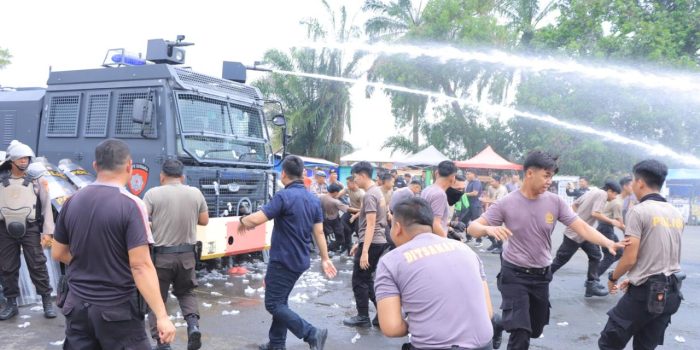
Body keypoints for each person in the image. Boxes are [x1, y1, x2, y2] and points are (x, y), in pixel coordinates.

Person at [467, 151, 625, 350]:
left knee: (535, 328)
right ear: (530, 173)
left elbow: (582, 227)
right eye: (546, 175)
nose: (550, 181)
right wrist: (487, 228)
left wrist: (607, 243)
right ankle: (510, 326)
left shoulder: (555, 202)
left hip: (541, 275)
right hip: (514, 274)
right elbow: (472, 227)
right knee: (520, 333)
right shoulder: (507, 202)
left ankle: (499, 323)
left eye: (552, 176)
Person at [51, 139, 176, 349]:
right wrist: (162, 316)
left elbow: (58, 252)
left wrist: (91, 262)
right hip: (116, 312)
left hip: (77, 308)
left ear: (95, 166)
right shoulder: (131, 205)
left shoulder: (72, 201)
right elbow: (140, 266)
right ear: (129, 166)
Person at [237, 155, 337, 350]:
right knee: (280, 301)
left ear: (283, 174)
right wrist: (325, 258)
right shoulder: (313, 199)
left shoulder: (284, 196)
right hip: (300, 260)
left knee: (273, 304)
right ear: (303, 174)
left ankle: (311, 333)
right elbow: (319, 232)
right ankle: (276, 343)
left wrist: (242, 221)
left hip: (283, 260)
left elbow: (256, 219)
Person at [375, 197, 494, 350]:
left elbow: (391, 327)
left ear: (397, 227)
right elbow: (488, 311)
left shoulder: (391, 261)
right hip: (484, 345)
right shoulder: (465, 249)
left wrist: (421, 321)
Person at [599, 159, 684, 350]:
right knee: (645, 346)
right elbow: (661, 252)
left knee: (609, 342)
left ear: (640, 183)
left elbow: (629, 258)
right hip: (671, 293)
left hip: (645, 293)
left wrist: (613, 277)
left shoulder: (638, 211)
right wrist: (635, 277)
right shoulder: (675, 213)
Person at [143, 159, 209, 350]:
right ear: (183, 176)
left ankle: (162, 344)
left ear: (162, 176)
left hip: (162, 258)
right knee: (186, 292)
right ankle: (193, 326)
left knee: (157, 299)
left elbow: (141, 220)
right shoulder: (195, 193)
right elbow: (204, 220)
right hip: (187, 256)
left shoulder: (153, 194)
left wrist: (157, 224)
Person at [0, 140, 56, 320]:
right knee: (7, 267)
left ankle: (47, 300)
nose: (24, 161)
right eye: (20, 158)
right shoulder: (1, 177)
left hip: (30, 227)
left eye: (26, 158)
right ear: (12, 159)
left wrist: (47, 231)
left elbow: (47, 205)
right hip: (5, 227)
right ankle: (11, 303)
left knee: (37, 264)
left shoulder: (37, 178)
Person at [551, 181, 623, 297]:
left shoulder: (592, 191)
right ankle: (539, 280)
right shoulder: (602, 194)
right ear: (609, 190)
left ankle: (591, 285)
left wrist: (574, 220)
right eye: (614, 194)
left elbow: (574, 205)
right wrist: (612, 221)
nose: (614, 198)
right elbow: (596, 214)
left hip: (584, 233)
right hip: (575, 234)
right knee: (560, 260)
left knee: (595, 255)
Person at [343, 161, 390, 328]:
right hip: (376, 241)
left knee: (359, 280)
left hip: (373, 242)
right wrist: (359, 242)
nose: (355, 180)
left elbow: (371, 224)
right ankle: (383, 313)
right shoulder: (376, 191)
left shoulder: (370, 195)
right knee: (367, 279)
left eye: (355, 177)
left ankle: (363, 317)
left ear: (362, 175)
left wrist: (364, 251)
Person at [420, 161, 458, 238]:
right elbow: (435, 224)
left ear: (436, 173)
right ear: (453, 177)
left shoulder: (426, 189)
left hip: (425, 235)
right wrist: (445, 240)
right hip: (434, 239)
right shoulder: (440, 194)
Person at [597, 180, 625, 278]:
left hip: (606, 227)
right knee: (610, 256)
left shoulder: (617, 200)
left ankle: (594, 273)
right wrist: (631, 234)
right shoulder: (617, 202)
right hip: (606, 228)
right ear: (625, 187)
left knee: (620, 252)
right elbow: (619, 223)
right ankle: (593, 278)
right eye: (631, 185)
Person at [320, 183, 359, 253]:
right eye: (338, 193)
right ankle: (328, 249)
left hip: (324, 219)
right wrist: (360, 210)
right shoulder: (335, 201)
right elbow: (348, 209)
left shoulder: (321, 197)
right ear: (335, 192)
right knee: (341, 239)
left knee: (326, 236)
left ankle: (329, 249)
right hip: (334, 221)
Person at [481, 175, 509, 254]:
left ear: (498, 182)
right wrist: (487, 209)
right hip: (493, 209)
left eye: (492, 181)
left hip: (503, 211)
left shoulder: (502, 189)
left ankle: (500, 246)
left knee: (498, 229)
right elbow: (488, 198)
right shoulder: (490, 187)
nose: (491, 182)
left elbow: (497, 202)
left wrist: (486, 201)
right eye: (490, 181)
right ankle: (494, 244)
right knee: (488, 227)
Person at [341, 176, 365, 256]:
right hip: (351, 210)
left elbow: (362, 210)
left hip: (360, 213)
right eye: (346, 183)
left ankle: (361, 248)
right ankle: (347, 246)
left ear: (354, 183)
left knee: (358, 231)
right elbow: (338, 195)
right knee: (343, 224)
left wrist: (354, 216)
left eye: (348, 183)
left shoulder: (361, 193)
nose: (347, 185)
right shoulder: (348, 189)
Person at [465, 170, 485, 246]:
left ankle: (479, 240)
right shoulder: (469, 182)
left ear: (473, 174)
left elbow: (475, 193)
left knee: (476, 222)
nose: (466, 176)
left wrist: (463, 194)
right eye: (466, 174)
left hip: (475, 205)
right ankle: (469, 238)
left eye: (468, 174)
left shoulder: (476, 182)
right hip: (468, 205)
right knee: (466, 221)